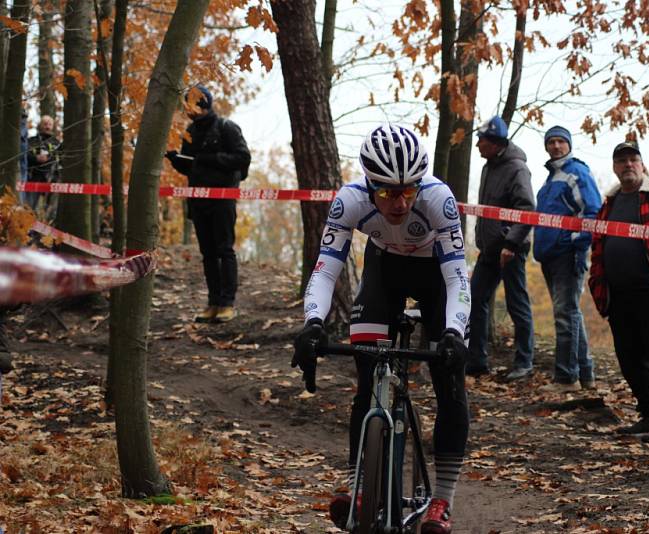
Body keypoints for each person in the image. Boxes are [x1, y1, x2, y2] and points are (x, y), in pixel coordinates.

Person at [291, 124, 470, 534]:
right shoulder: (349, 201)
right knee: (367, 373)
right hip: (385, 271)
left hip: (436, 278)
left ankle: (442, 499)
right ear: (369, 184)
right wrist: (313, 324)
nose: (400, 202)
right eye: (388, 192)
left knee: (450, 382)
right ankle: (360, 489)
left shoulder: (438, 200)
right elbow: (325, 269)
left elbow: (458, 278)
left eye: (408, 190)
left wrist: (454, 333)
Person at [588, 142, 649, 443]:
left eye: (633, 159)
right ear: (615, 167)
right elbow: (599, 246)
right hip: (617, 293)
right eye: (622, 161)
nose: (628, 165)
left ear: (642, 164)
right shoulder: (609, 203)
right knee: (629, 358)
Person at [165, 85, 250, 324]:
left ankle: (227, 303)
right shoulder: (190, 131)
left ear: (203, 104)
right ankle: (213, 302)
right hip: (198, 200)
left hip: (223, 200)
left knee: (224, 250)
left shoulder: (226, 127)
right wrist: (175, 160)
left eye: (191, 104)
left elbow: (242, 158)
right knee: (208, 253)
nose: (188, 110)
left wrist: (210, 159)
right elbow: (189, 166)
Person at [465, 115, 535, 380]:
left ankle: (524, 363)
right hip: (489, 249)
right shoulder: (488, 166)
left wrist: (511, 242)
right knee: (475, 299)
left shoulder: (517, 168)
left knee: (518, 304)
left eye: (480, 141)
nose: (477, 146)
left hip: (511, 248)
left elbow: (527, 208)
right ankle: (476, 361)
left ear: (494, 143)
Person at [533, 125, 601, 392]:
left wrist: (573, 243)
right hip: (549, 255)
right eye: (552, 142)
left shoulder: (577, 172)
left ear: (569, 145)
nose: (556, 146)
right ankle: (586, 375)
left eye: (561, 141)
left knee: (565, 314)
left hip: (567, 255)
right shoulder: (550, 179)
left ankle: (565, 378)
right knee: (570, 314)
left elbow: (592, 213)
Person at [25, 115, 61, 214]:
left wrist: (48, 158)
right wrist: (36, 158)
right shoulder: (32, 141)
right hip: (33, 179)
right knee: (29, 209)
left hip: (51, 182)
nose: (47, 127)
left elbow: (60, 161)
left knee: (47, 213)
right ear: (40, 125)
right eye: (45, 124)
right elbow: (24, 157)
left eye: (50, 124)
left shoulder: (57, 143)